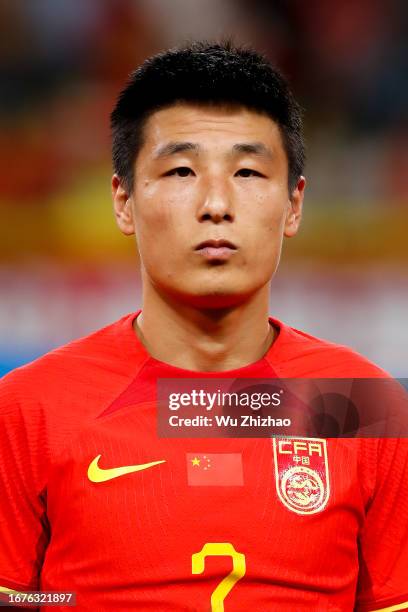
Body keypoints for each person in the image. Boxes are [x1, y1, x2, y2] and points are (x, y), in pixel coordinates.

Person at [0, 41, 407, 612]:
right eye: (181, 170)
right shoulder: (26, 410)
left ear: (293, 205)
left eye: (246, 170)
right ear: (123, 199)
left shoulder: (366, 407)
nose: (216, 203)